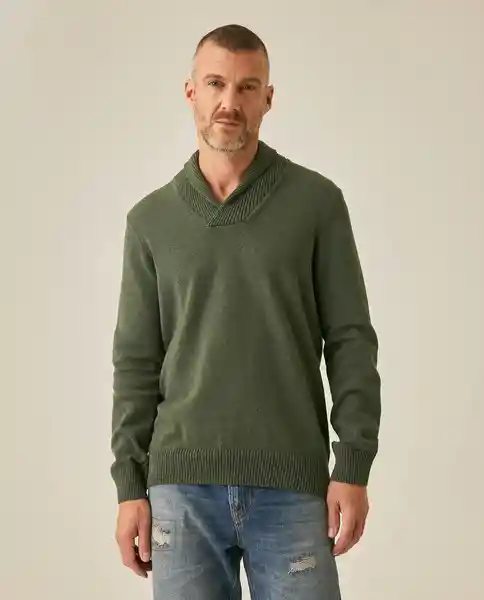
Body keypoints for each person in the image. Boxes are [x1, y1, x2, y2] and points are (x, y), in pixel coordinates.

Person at [110, 23, 381, 600]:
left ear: (268, 98)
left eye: (247, 87)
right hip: (180, 491)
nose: (229, 102)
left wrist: (353, 464)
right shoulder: (150, 221)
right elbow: (135, 361)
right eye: (215, 84)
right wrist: (129, 485)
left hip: (291, 486)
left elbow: (351, 339)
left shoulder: (316, 204)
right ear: (191, 92)